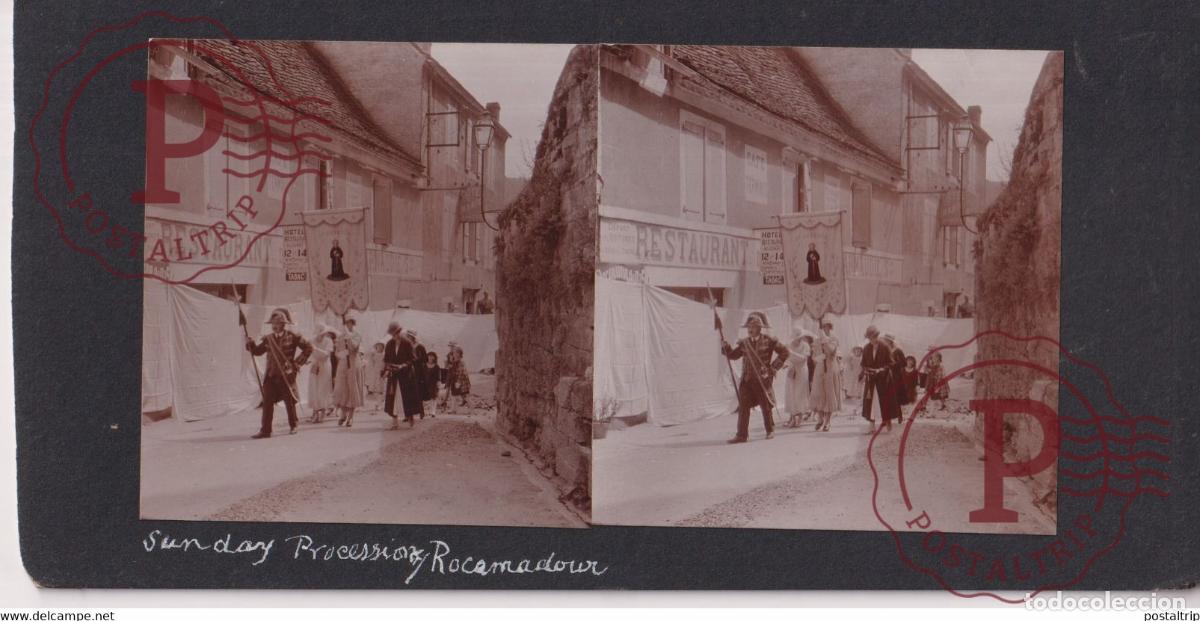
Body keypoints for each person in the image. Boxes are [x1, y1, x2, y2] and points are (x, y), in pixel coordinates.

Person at [721, 311, 789, 443]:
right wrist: (726, 348)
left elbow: (785, 352)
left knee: (765, 405)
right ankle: (741, 435)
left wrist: (773, 368)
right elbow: (733, 355)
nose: (750, 330)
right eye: (748, 328)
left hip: (762, 380)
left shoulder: (769, 341)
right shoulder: (744, 343)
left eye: (752, 327)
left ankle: (770, 430)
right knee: (744, 407)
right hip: (747, 380)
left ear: (759, 328)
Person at [245, 308, 313, 439]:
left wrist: (296, 364)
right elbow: (257, 352)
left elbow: (309, 348)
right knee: (267, 402)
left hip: (286, 375)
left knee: (289, 401)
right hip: (271, 375)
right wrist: (250, 344)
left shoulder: (293, 336)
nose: (275, 326)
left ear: (283, 324)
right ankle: (265, 431)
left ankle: (294, 425)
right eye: (273, 324)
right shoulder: (268, 339)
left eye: (277, 323)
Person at [810, 316, 841, 432]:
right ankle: (820, 418)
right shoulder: (817, 340)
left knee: (829, 394)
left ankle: (828, 421)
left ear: (830, 327)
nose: (825, 329)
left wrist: (824, 340)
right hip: (819, 368)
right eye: (823, 327)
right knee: (818, 393)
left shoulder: (833, 339)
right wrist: (818, 358)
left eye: (827, 326)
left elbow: (831, 351)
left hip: (830, 367)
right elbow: (813, 356)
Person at [860, 325, 893, 434]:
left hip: (883, 379)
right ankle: (872, 425)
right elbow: (863, 363)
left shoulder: (885, 347)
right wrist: (866, 370)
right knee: (870, 402)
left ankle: (888, 421)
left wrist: (881, 370)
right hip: (871, 379)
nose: (872, 339)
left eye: (873, 337)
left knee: (884, 401)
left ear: (877, 336)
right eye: (869, 338)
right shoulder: (866, 348)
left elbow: (891, 363)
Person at [332, 317, 364, 427]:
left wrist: (348, 338)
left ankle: (350, 417)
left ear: (353, 324)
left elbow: (354, 348)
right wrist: (341, 354)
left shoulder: (357, 335)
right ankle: (343, 414)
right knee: (341, 389)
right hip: (343, 364)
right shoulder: (340, 336)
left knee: (352, 389)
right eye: (346, 323)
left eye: (350, 323)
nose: (348, 325)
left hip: (353, 364)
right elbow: (336, 351)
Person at [306, 324, 337, 423]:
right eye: (321, 333)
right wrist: (308, 360)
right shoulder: (311, 340)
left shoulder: (329, 341)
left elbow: (326, 355)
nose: (323, 335)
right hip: (315, 365)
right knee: (314, 388)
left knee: (323, 389)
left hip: (325, 366)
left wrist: (315, 349)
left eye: (324, 333)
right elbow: (309, 354)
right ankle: (315, 413)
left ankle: (323, 413)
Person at [784, 329, 813, 428]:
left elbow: (803, 358)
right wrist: (786, 364)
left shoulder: (805, 345)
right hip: (792, 370)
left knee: (800, 394)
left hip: (802, 371)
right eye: (797, 338)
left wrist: (791, 353)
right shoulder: (789, 345)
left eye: (800, 337)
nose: (799, 339)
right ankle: (792, 417)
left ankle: (799, 417)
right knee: (791, 393)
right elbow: (786, 358)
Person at [879, 333, 906, 431]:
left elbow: (904, 363)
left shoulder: (897, 351)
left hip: (896, 377)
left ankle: (899, 415)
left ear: (890, 341)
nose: (884, 342)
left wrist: (893, 364)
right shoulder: (883, 350)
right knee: (885, 398)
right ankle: (885, 420)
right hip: (886, 377)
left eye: (886, 340)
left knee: (896, 398)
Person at [405, 329, 428, 419]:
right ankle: (408, 415)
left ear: (412, 337)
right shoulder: (406, 346)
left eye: (409, 336)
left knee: (418, 392)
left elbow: (425, 359)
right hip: (407, 371)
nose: (407, 338)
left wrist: (415, 360)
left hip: (418, 372)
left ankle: (421, 412)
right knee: (407, 393)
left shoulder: (420, 346)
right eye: (407, 336)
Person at [444, 341, 471, 413]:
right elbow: (448, 366)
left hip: (460, 380)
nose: (451, 348)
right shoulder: (451, 357)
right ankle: (453, 409)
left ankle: (471, 409)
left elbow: (462, 372)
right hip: (454, 378)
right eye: (451, 347)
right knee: (454, 393)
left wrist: (459, 381)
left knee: (464, 394)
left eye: (453, 347)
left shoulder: (460, 362)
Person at [421, 351, 443, 418]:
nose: (430, 357)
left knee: (433, 397)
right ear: (427, 357)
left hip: (433, 384)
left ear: (434, 358)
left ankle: (433, 412)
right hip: (425, 383)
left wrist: (439, 382)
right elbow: (421, 374)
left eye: (432, 356)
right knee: (424, 398)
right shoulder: (424, 365)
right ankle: (424, 412)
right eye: (429, 356)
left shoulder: (436, 366)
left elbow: (439, 376)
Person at [899, 355, 919, 420]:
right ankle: (901, 415)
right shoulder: (902, 370)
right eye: (908, 361)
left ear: (913, 363)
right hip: (903, 388)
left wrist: (917, 387)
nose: (910, 362)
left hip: (911, 388)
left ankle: (910, 416)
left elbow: (916, 381)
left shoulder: (915, 371)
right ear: (906, 361)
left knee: (911, 401)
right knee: (902, 402)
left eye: (911, 361)